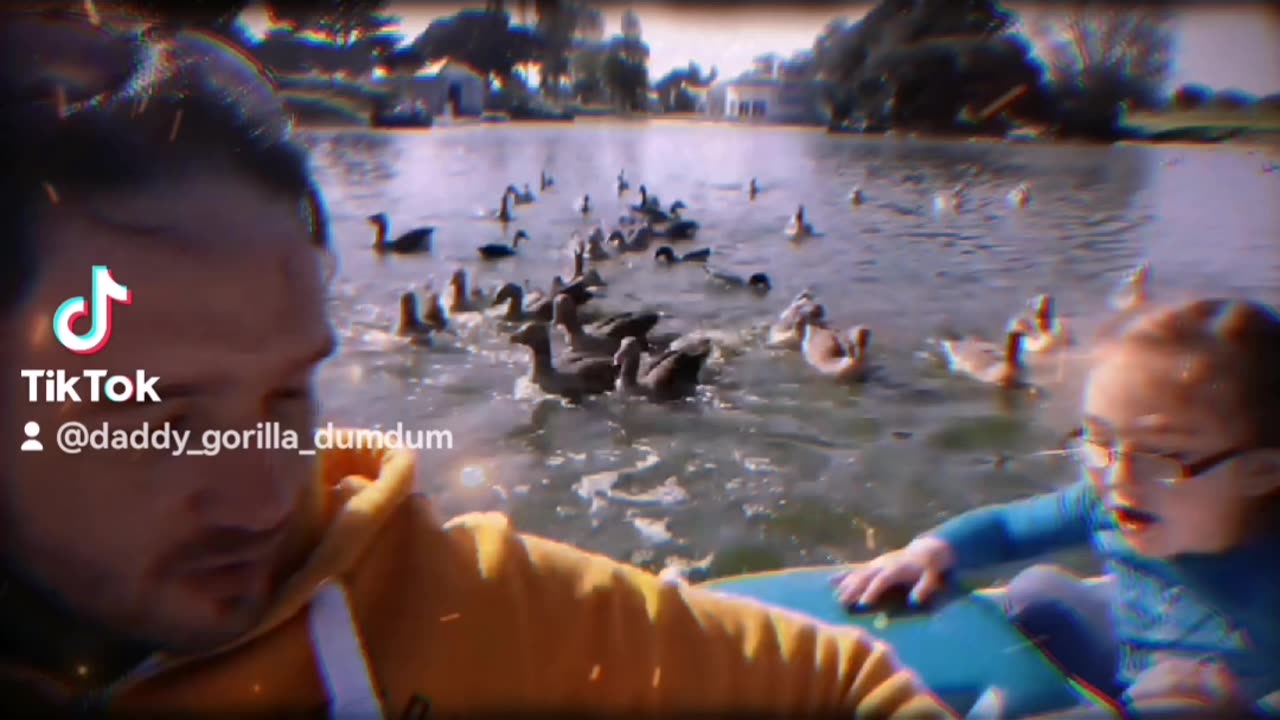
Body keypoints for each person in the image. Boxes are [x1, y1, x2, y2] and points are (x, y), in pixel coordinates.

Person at [0, 8, 952, 718]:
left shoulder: (439, 596)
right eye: (158, 415)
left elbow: (846, 676)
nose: (263, 497)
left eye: (290, 395)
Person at [836, 296, 1280, 717]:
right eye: (1100, 441)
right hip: (1126, 667)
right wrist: (929, 551)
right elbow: (1007, 528)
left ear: (1261, 472)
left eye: (1161, 455)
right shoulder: (1108, 503)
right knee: (1034, 591)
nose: (1117, 476)